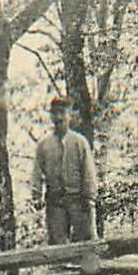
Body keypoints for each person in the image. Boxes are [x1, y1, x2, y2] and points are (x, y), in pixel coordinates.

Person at [32, 95, 99, 244]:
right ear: (51, 116)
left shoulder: (79, 142)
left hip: (78, 201)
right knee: (57, 245)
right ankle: (60, 267)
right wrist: (36, 196)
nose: (58, 117)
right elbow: (37, 173)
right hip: (55, 203)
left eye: (62, 113)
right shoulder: (44, 145)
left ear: (70, 115)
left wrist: (89, 197)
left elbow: (88, 172)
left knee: (86, 243)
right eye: (55, 113)